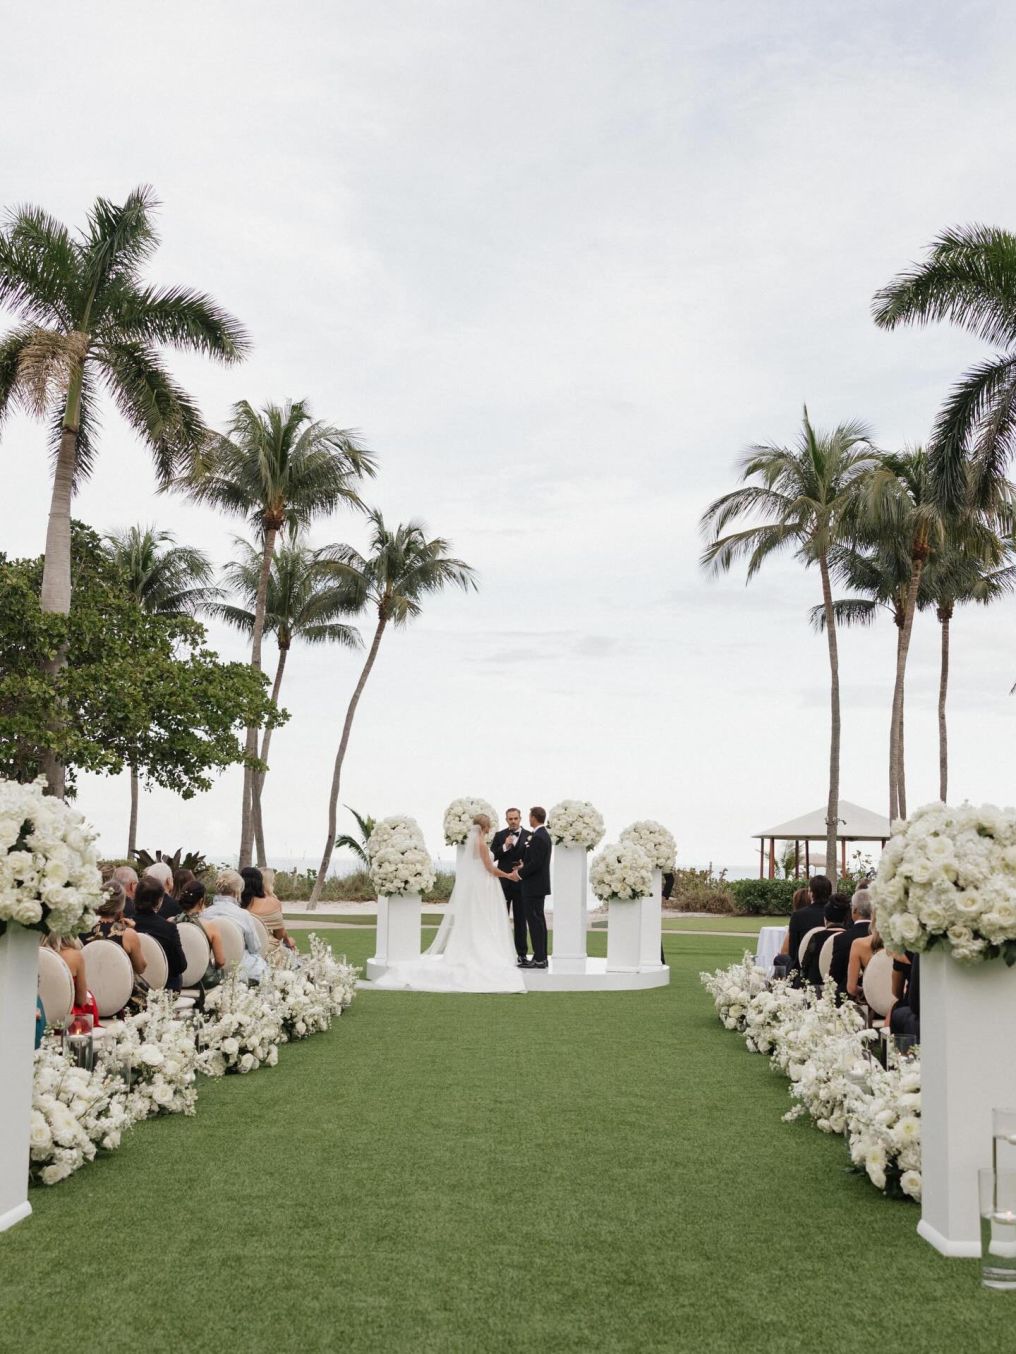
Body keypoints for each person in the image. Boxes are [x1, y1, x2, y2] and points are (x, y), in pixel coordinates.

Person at [374, 815, 526, 992]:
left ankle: (469, 948)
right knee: (483, 918)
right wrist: (508, 875)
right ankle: (481, 951)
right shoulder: (482, 845)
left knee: (475, 917)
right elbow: (490, 868)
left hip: (476, 885)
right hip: (484, 885)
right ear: (485, 826)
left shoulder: (475, 843)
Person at [83, 879, 149, 1016]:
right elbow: (141, 968)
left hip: (88, 1002)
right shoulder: (127, 934)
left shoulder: (81, 930)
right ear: (121, 906)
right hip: (123, 1004)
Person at [204, 869, 269, 981]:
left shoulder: (205, 913)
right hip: (238, 965)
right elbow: (255, 947)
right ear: (237, 891)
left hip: (210, 965)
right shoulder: (243, 915)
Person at [490, 808, 530, 964]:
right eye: (510, 819)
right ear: (506, 820)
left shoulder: (529, 836)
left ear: (520, 819)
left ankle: (522, 954)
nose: (513, 821)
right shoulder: (500, 836)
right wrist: (505, 846)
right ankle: (500, 952)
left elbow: (533, 858)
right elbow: (492, 857)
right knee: (501, 918)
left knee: (521, 920)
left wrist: (524, 864)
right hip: (504, 883)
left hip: (521, 883)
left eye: (515, 818)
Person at [131, 879, 187, 990]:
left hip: (134, 988)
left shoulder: (126, 925)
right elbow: (181, 965)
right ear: (159, 901)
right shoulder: (168, 928)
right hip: (164, 989)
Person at [171, 880, 226, 992]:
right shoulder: (210, 927)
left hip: (176, 980)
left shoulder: (170, 923)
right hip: (203, 981)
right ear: (201, 901)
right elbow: (220, 961)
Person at [241, 866, 298, 966]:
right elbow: (279, 934)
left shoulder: (236, 903)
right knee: (289, 947)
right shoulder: (273, 903)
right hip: (266, 948)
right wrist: (287, 940)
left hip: (241, 947)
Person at [518, 806, 552, 970]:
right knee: (538, 922)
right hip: (537, 886)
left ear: (533, 817)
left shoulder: (539, 837)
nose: (528, 819)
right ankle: (541, 958)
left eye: (529, 816)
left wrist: (519, 873)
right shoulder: (542, 835)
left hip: (533, 886)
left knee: (535, 922)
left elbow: (536, 863)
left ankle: (539, 959)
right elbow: (534, 860)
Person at [41, 933, 100, 1024]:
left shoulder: (35, 954)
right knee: (89, 997)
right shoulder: (75, 956)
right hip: (67, 1019)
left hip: (41, 1015)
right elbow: (81, 1000)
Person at [800, 893, 850, 986]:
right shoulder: (850, 938)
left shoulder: (816, 937)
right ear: (846, 918)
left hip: (817, 987)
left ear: (825, 918)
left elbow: (805, 966)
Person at [829, 888, 872, 995]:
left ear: (855, 910)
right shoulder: (882, 937)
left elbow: (835, 977)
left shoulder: (842, 939)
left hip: (849, 997)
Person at [787, 875, 832, 973]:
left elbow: (792, 950)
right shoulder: (837, 913)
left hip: (804, 968)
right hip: (831, 965)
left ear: (811, 893)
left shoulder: (798, 915)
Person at [846, 915, 883, 1001]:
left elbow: (851, 989)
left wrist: (865, 990)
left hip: (872, 1002)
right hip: (900, 1006)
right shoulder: (903, 946)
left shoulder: (858, 944)